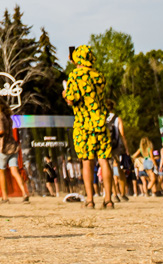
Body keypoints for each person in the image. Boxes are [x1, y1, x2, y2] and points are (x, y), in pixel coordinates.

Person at [63, 45, 113, 208]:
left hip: (83, 123)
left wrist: (65, 93)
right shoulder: (99, 75)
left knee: (87, 162)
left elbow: (71, 99)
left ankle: (90, 200)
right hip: (100, 122)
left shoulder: (75, 75)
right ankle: (108, 199)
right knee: (104, 161)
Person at [0, 94, 28, 203]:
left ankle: (5, 197)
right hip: (12, 146)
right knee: (15, 171)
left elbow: (1, 131)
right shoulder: (6, 115)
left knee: (1, 172)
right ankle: (25, 193)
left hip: (2, 147)